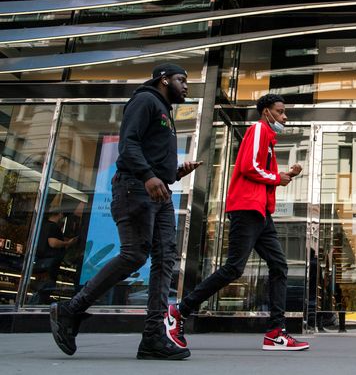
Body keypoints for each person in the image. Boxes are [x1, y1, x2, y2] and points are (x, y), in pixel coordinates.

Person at [50, 63, 202, 360]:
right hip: (135, 188)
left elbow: (146, 152)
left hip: (157, 192)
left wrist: (172, 173)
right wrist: (148, 176)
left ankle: (153, 338)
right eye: (182, 80)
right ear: (163, 79)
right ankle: (71, 310)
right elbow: (128, 145)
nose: (186, 86)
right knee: (134, 254)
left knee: (164, 260)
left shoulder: (163, 110)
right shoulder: (145, 100)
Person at [166, 93, 308, 352]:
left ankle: (276, 332)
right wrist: (278, 177)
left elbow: (260, 172)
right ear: (266, 111)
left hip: (260, 212)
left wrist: (285, 175)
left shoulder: (268, 139)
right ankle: (179, 311)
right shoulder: (258, 130)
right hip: (246, 209)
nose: (284, 117)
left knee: (279, 265)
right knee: (234, 269)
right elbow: (248, 167)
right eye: (280, 111)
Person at [32, 208, 77, 304]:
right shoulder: (53, 227)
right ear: (60, 214)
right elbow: (52, 243)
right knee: (44, 292)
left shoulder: (43, 225)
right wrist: (67, 243)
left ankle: (31, 309)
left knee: (39, 291)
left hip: (40, 263)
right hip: (50, 265)